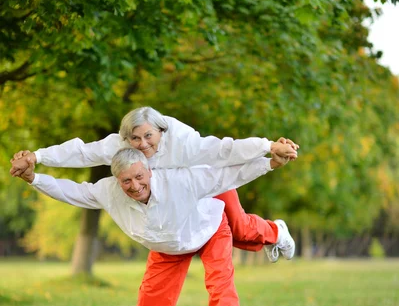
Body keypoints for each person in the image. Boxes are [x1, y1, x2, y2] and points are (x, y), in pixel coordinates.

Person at [15, 147, 291, 306]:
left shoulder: (178, 178)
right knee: (151, 298)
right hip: (167, 244)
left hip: (207, 226)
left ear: (149, 171)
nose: (134, 186)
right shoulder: (109, 191)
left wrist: (269, 159)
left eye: (138, 177)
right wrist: (33, 178)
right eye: (126, 181)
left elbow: (229, 172)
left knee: (221, 286)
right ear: (116, 182)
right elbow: (71, 191)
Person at [10, 107, 299, 262]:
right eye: (135, 139)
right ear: (125, 139)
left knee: (239, 227)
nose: (142, 144)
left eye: (149, 137)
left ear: (161, 131)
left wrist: (267, 147)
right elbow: (82, 152)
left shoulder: (184, 142)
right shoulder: (118, 146)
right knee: (215, 238)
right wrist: (37, 157)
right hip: (174, 201)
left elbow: (225, 150)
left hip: (206, 181)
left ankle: (276, 231)